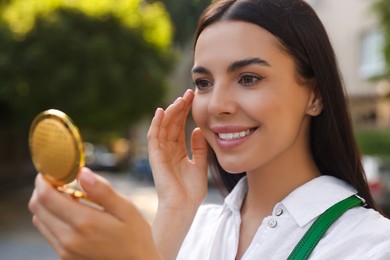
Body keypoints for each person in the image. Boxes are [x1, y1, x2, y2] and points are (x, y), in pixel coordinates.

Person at [29, 0, 390, 259]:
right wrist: (174, 210)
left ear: (314, 95)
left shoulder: (372, 245)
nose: (217, 104)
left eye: (248, 78)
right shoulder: (195, 225)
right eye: (203, 82)